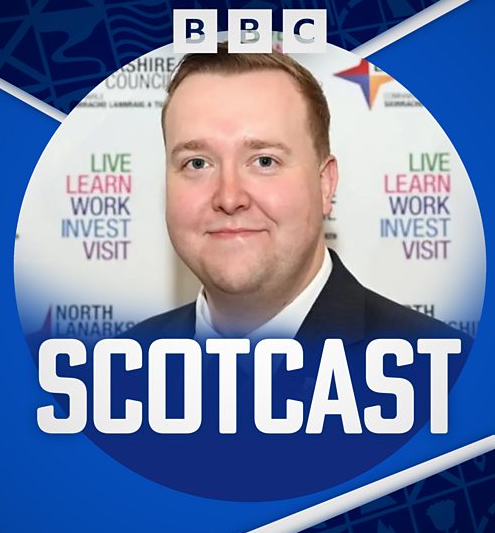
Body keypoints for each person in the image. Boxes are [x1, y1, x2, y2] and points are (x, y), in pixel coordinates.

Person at [128, 42, 471, 349]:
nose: (229, 198)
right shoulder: (114, 374)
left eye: (265, 161)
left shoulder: (444, 372)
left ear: (325, 184)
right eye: (197, 163)